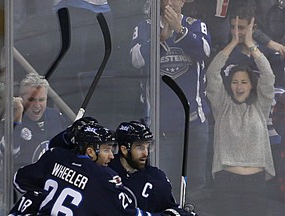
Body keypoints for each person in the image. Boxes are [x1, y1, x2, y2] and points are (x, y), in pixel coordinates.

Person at [130, 0, 212, 202]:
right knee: (161, 184)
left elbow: (205, 50)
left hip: (193, 124)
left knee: (195, 187)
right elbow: (135, 59)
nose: (171, 2)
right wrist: (161, 38)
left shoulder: (195, 25)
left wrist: (179, 29)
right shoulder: (145, 26)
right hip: (161, 126)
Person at [9, 119, 164, 216]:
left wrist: (67, 135)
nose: (111, 156)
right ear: (90, 152)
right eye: (106, 149)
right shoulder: (103, 177)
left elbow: (18, 181)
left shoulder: (56, 156)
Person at [205, 13, 276, 216]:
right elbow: (212, 73)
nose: (239, 86)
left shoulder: (260, 107)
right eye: (235, 82)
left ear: (251, 85)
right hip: (227, 183)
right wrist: (234, 42)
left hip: (256, 183)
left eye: (244, 82)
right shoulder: (222, 105)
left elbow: (269, 76)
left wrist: (251, 44)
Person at [109, 120, 196, 215]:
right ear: (124, 150)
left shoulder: (156, 178)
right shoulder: (106, 171)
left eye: (148, 147)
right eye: (140, 147)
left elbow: (171, 210)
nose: (146, 153)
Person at [0, 73, 69, 172]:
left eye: (41, 100)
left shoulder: (55, 116)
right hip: (24, 184)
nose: (37, 105)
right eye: (31, 99)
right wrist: (18, 114)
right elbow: (8, 153)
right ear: (20, 98)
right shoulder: (10, 120)